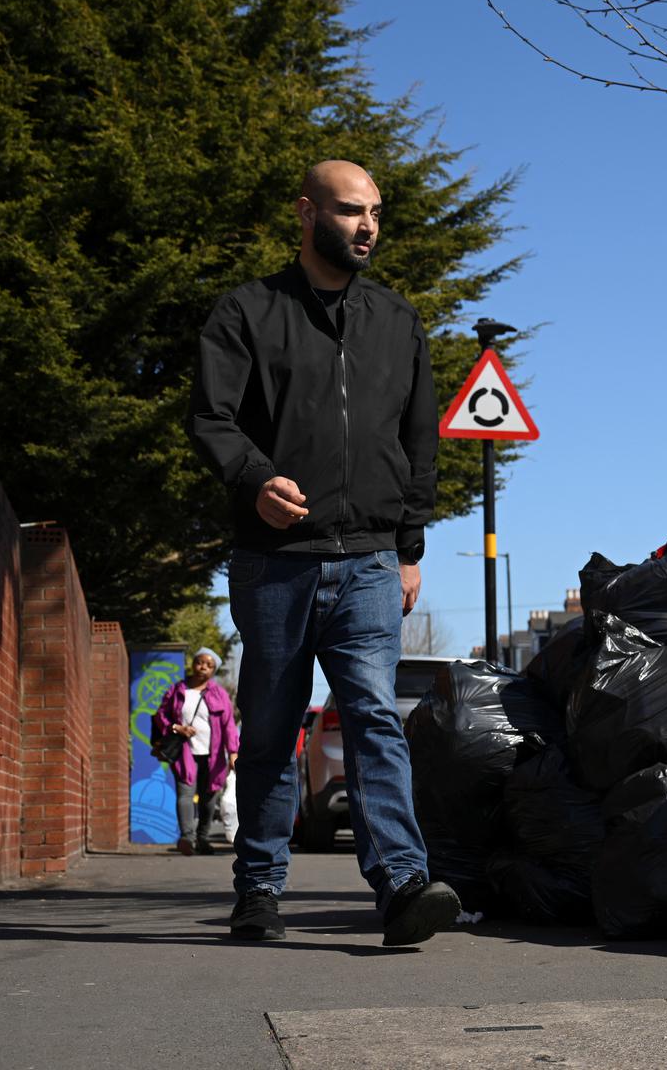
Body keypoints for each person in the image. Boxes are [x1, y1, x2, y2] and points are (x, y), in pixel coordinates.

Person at [187, 159, 458, 947]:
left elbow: (419, 441)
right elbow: (212, 417)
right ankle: (259, 890)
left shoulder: (398, 323)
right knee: (271, 727)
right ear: (306, 214)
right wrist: (255, 478)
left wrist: (410, 547)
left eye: (375, 212)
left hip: (372, 561)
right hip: (276, 562)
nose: (367, 225)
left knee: (373, 716)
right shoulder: (247, 313)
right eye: (349, 211)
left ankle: (403, 883)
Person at [152, 647, 239, 857]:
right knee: (185, 794)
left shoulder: (219, 694)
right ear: (193, 663)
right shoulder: (177, 690)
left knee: (210, 798)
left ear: (213, 671)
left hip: (213, 754)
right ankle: (187, 838)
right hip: (184, 752)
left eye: (209, 665)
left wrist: (233, 752)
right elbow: (161, 715)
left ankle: (203, 838)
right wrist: (177, 728)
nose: (203, 668)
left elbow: (228, 725)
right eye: (200, 662)